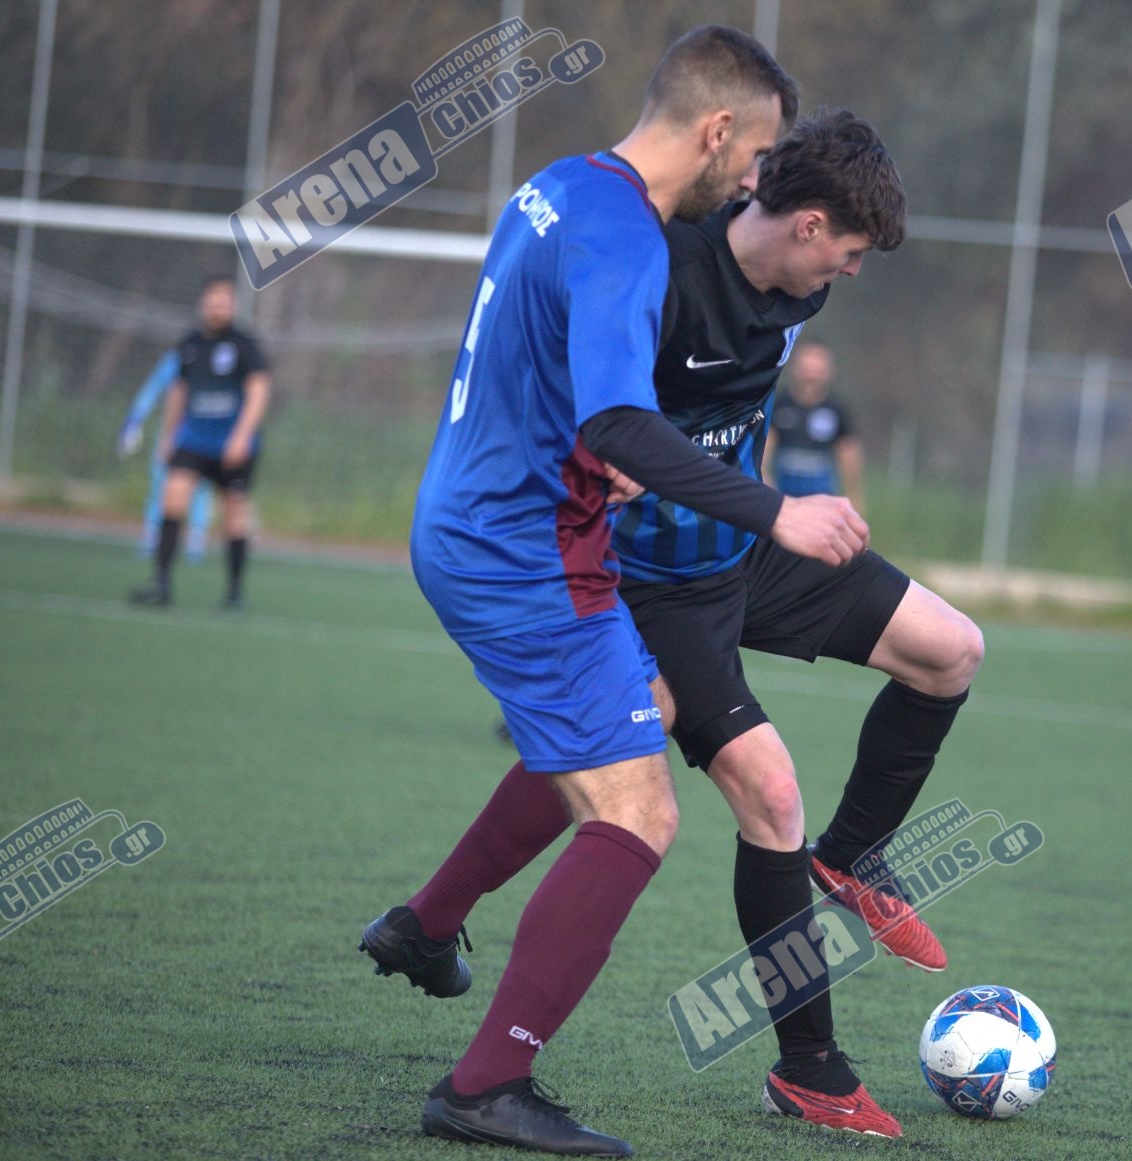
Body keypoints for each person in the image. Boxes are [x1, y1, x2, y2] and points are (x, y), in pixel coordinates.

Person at [360, 27, 864, 1158]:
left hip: (474, 513)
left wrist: (609, 451)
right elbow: (618, 420)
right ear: (718, 130)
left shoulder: (557, 187)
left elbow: (570, 385)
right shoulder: (629, 239)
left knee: (641, 714)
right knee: (638, 812)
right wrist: (774, 511)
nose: (761, 181)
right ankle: (486, 1084)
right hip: (526, 550)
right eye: (760, 154)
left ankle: (426, 927)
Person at [611, 108, 979, 1139]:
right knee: (766, 797)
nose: (850, 274)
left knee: (951, 650)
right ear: (807, 224)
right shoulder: (663, 272)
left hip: (749, 547)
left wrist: (771, 504)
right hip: (657, 585)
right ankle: (809, 1070)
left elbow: (740, 417)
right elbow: (605, 419)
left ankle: (852, 855)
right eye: (849, 251)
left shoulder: (798, 290)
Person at [128, 277, 269, 611]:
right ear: (203, 304)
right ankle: (161, 583)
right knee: (172, 499)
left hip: (231, 445)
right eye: (214, 301)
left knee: (234, 514)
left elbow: (259, 390)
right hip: (193, 440)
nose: (219, 307)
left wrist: (242, 436)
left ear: (233, 306)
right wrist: (169, 435)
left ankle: (234, 593)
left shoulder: (244, 344)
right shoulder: (190, 345)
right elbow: (178, 392)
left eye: (225, 301)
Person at [118, 349, 211, 562]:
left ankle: (196, 537)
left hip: (203, 435)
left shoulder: (215, 358)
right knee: (162, 483)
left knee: (200, 487)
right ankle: (153, 534)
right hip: (171, 434)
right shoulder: (177, 359)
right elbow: (151, 391)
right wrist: (134, 420)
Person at [763, 341, 862, 509]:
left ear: (828, 371)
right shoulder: (779, 404)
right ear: (795, 368)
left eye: (817, 368)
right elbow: (766, 445)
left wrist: (853, 494)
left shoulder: (837, 409)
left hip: (822, 500)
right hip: (783, 500)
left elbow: (848, 451)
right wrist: (764, 478)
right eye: (807, 367)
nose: (811, 375)